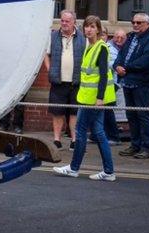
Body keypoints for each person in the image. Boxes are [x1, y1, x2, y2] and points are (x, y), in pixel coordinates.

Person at [53, 15, 116, 181]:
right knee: (99, 132)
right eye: (87, 26)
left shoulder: (100, 48)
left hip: (93, 100)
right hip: (88, 98)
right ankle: (108, 171)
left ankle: (74, 168)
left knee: (81, 131)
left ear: (98, 29)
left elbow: (103, 75)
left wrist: (100, 98)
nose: (89, 29)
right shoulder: (91, 46)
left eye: (93, 27)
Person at [114, 12, 149, 159]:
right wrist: (117, 66)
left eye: (139, 23)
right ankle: (135, 145)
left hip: (142, 83)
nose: (135, 25)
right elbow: (121, 55)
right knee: (131, 115)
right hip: (128, 81)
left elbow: (146, 60)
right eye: (133, 22)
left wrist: (126, 68)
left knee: (143, 115)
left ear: (147, 24)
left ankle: (146, 147)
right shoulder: (131, 38)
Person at [43, 10, 85, 149]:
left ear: (74, 22)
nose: (64, 23)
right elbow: (46, 54)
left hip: (76, 81)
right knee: (57, 112)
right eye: (62, 20)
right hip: (58, 81)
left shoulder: (82, 37)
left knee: (74, 112)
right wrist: (49, 69)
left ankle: (74, 140)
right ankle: (57, 140)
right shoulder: (53, 36)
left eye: (67, 21)